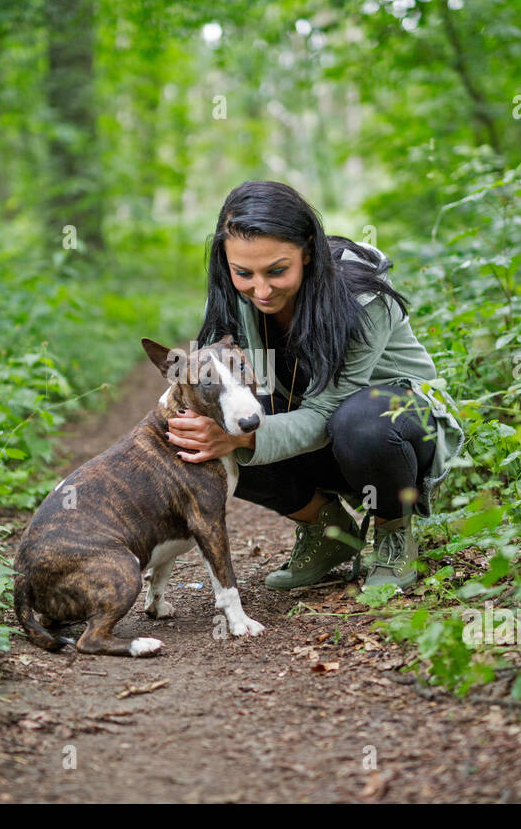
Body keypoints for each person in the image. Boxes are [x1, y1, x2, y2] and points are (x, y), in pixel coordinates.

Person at [164, 180, 465, 591]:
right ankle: (326, 531)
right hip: (311, 425)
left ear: (307, 249)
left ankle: (393, 530)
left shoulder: (360, 295)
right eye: (243, 273)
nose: (261, 290)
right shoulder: (231, 295)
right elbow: (209, 381)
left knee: (359, 420)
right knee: (208, 428)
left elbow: (327, 412)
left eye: (277, 270)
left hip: (394, 426)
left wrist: (242, 440)